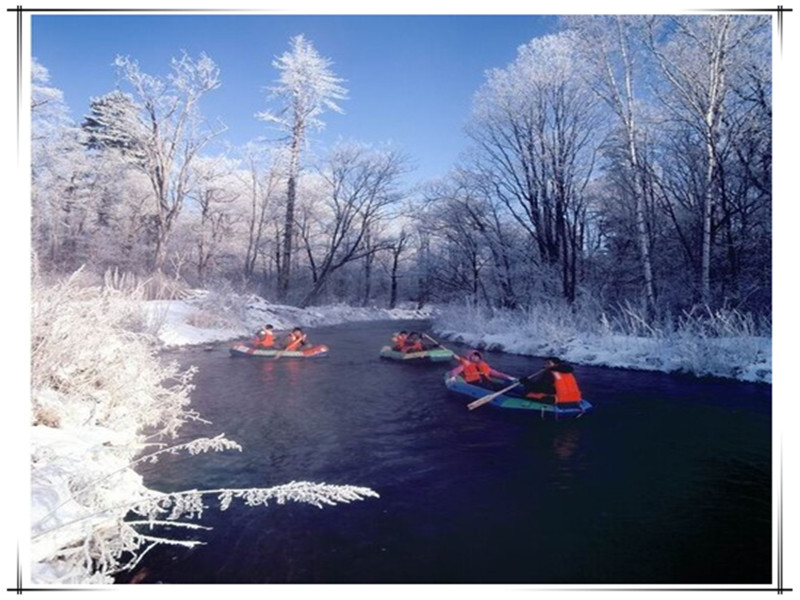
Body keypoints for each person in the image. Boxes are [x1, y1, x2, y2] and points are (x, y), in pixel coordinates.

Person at [518, 357, 582, 406]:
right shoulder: (568, 372)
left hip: (557, 400)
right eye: (545, 363)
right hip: (574, 398)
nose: (545, 365)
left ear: (556, 364)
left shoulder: (550, 373)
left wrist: (526, 382)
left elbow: (538, 389)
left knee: (523, 391)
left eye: (548, 363)